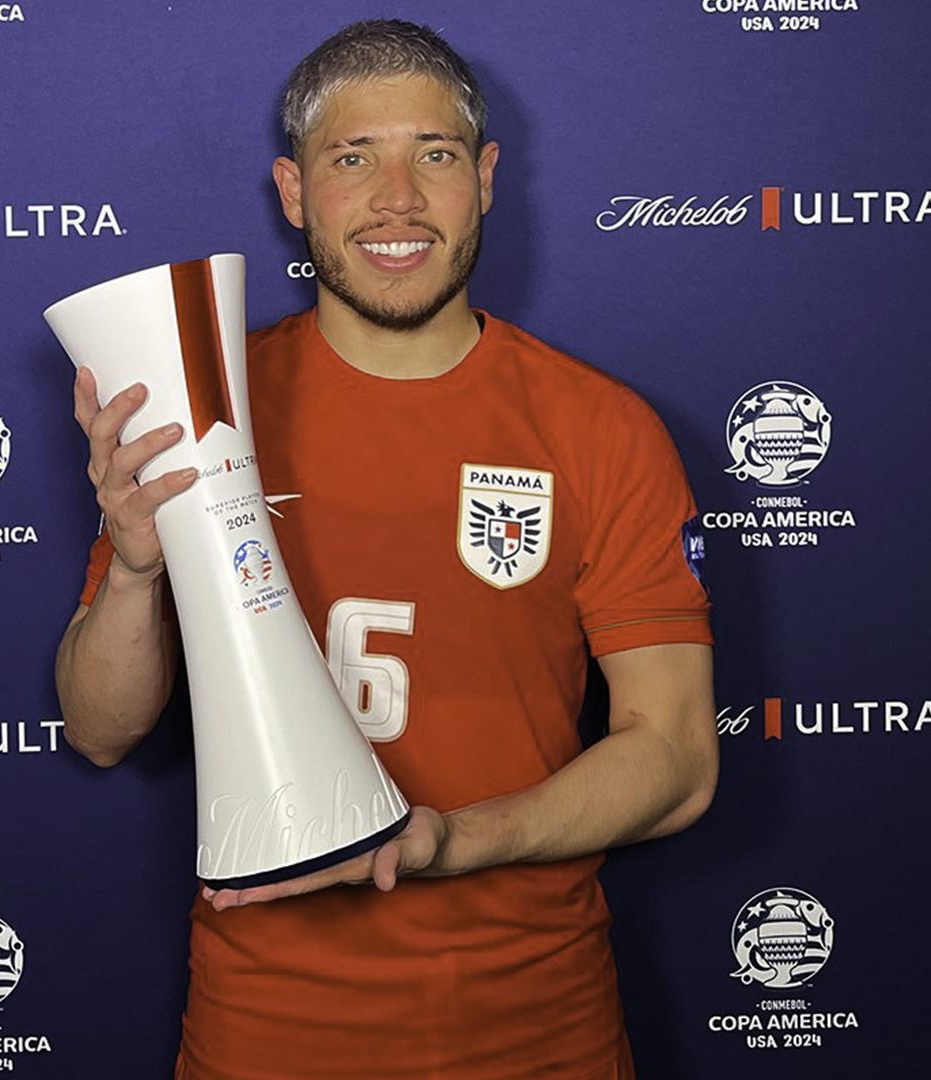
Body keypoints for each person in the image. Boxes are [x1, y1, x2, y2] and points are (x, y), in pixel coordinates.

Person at [57, 19, 717, 1080]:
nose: (397, 199)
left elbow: (677, 760)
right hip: (263, 1030)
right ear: (292, 190)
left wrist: (453, 840)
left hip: (540, 1031)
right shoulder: (205, 407)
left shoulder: (601, 426)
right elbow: (98, 730)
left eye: (436, 155)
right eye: (352, 157)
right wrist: (136, 570)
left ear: (488, 179)